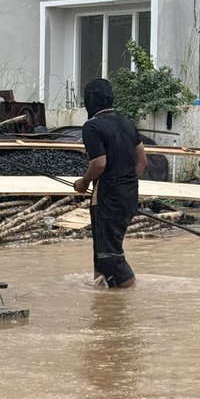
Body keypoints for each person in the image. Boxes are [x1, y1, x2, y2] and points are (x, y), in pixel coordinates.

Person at [73, 78, 147, 289]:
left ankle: (129, 297)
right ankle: (102, 298)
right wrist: (126, 183)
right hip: (129, 195)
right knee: (102, 252)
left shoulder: (92, 127)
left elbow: (99, 163)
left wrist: (84, 182)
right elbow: (142, 160)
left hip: (107, 198)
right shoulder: (128, 124)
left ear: (91, 101)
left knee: (110, 254)